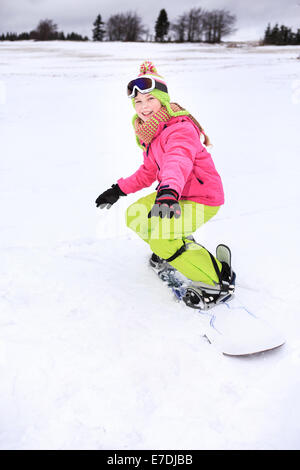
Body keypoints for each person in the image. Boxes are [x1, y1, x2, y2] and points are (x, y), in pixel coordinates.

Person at [95, 60, 234, 308]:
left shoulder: (179, 129)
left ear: (162, 100)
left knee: (162, 237)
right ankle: (174, 247)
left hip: (201, 198)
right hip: (173, 195)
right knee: (136, 215)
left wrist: (168, 190)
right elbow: (148, 171)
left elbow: (177, 161)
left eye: (150, 99)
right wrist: (118, 190)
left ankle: (217, 282)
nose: (144, 107)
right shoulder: (152, 134)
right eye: (138, 102)